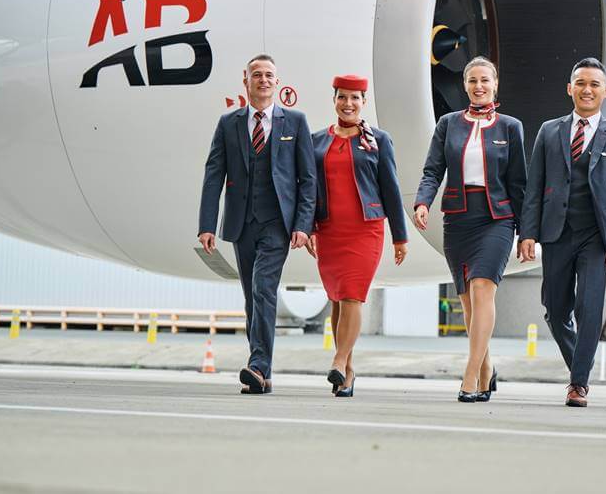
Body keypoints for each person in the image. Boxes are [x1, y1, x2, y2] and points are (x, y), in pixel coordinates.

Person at [518, 57, 606, 408]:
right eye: (581, 83)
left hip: (596, 237)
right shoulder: (549, 132)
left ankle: (578, 384)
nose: (587, 90)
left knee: (589, 308)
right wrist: (528, 233)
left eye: (594, 84)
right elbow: (534, 186)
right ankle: (578, 366)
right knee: (554, 308)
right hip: (557, 232)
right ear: (570, 88)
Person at [197, 54, 316, 395]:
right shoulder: (228, 123)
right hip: (241, 223)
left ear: (277, 83)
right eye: (257, 75)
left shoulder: (295, 122)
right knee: (252, 296)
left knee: (264, 289)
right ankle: (261, 372)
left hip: (278, 223)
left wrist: (303, 224)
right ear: (245, 80)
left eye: (269, 75)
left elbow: (307, 179)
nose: (263, 80)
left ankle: (259, 366)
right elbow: (213, 174)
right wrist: (206, 224)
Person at [414, 57, 526, 402]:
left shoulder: (510, 127)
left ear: (495, 85)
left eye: (485, 81)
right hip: (459, 218)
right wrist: (422, 201)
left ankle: (470, 375)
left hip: (497, 218)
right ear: (465, 85)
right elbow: (433, 170)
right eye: (473, 80)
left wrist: (527, 232)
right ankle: (486, 368)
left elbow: (520, 182)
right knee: (467, 301)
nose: (479, 86)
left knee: (482, 288)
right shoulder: (448, 124)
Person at [306, 74, 408, 397]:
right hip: (330, 230)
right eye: (342, 97)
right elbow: (307, 189)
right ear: (334, 99)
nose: (348, 104)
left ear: (364, 102)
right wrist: (307, 226)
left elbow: (391, 189)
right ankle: (348, 373)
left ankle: (338, 360)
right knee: (337, 298)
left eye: (355, 98)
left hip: (366, 228)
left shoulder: (378, 140)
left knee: (352, 294)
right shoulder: (316, 141)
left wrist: (400, 236)